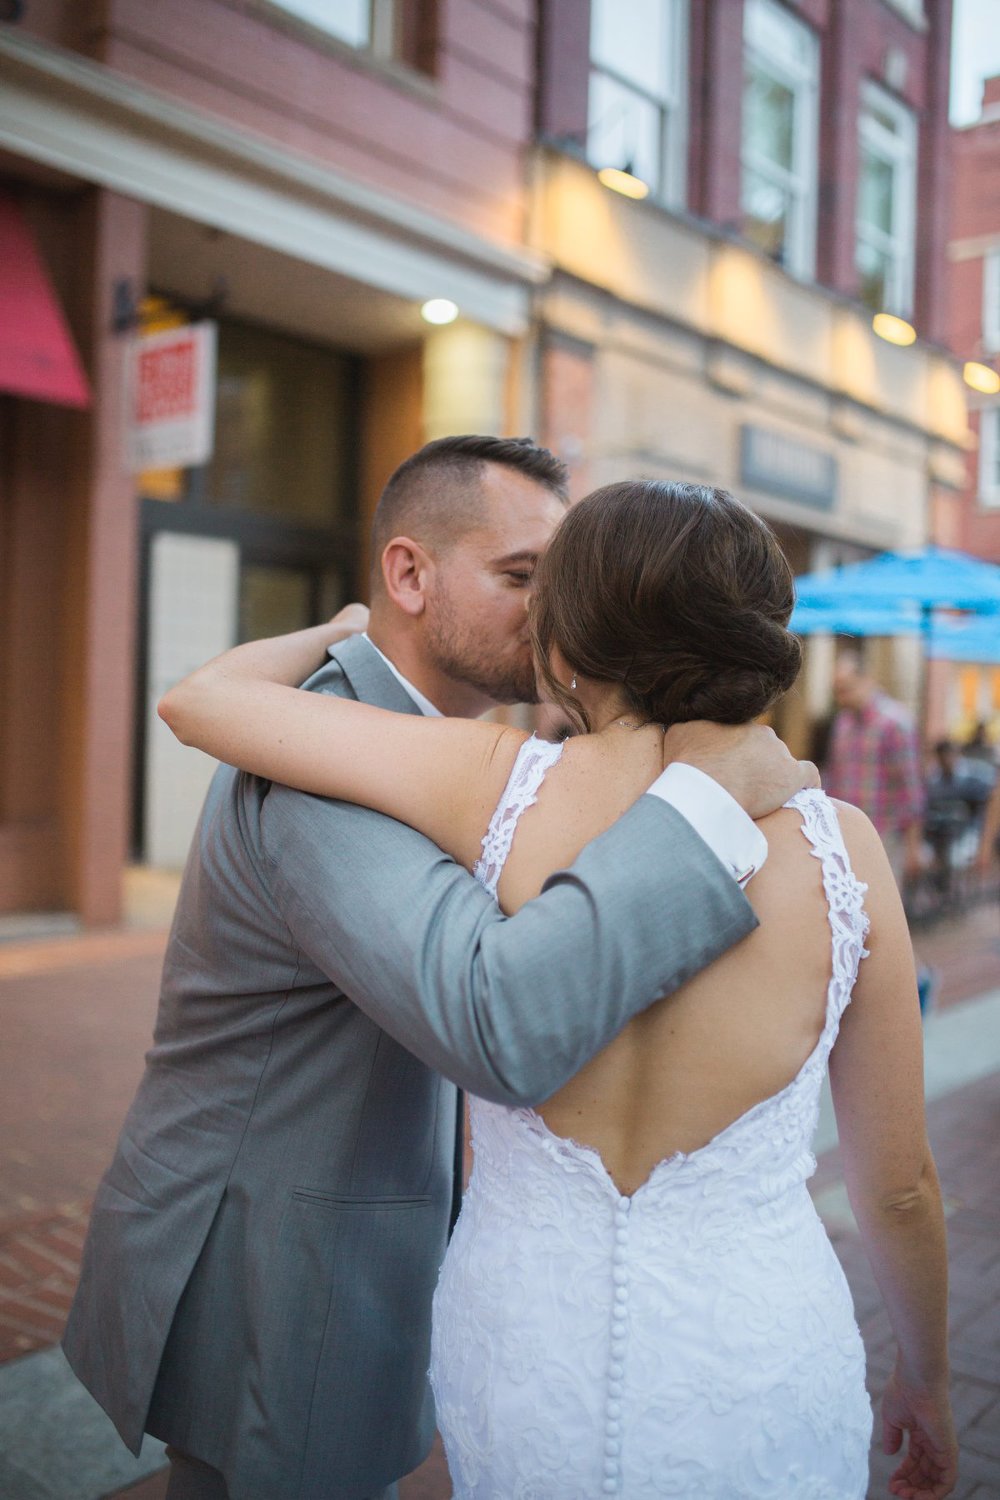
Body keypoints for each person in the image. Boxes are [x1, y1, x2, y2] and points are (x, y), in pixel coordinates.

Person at [162, 480, 957, 1500]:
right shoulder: (839, 850)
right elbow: (898, 1188)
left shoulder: (487, 783)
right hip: (755, 1355)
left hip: (522, 1348)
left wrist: (342, 624)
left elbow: (201, 702)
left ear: (565, 643)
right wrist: (925, 1378)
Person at [824, 649, 926, 887]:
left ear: (865, 680)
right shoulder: (843, 723)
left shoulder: (895, 723)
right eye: (837, 691)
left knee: (882, 909)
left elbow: (910, 789)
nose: (842, 698)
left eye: (846, 689)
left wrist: (913, 846)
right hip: (845, 835)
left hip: (885, 835)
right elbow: (835, 776)